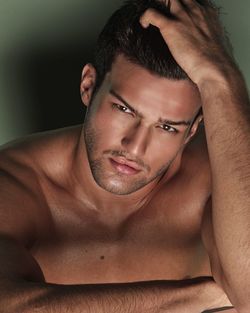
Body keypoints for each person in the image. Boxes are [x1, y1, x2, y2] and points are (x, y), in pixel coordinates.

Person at [0, 0, 249, 312]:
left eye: (168, 127)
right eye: (124, 109)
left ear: (193, 130)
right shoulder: (14, 184)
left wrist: (222, 80)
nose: (135, 146)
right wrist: (199, 298)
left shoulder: (218, 184)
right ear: (88, 86)